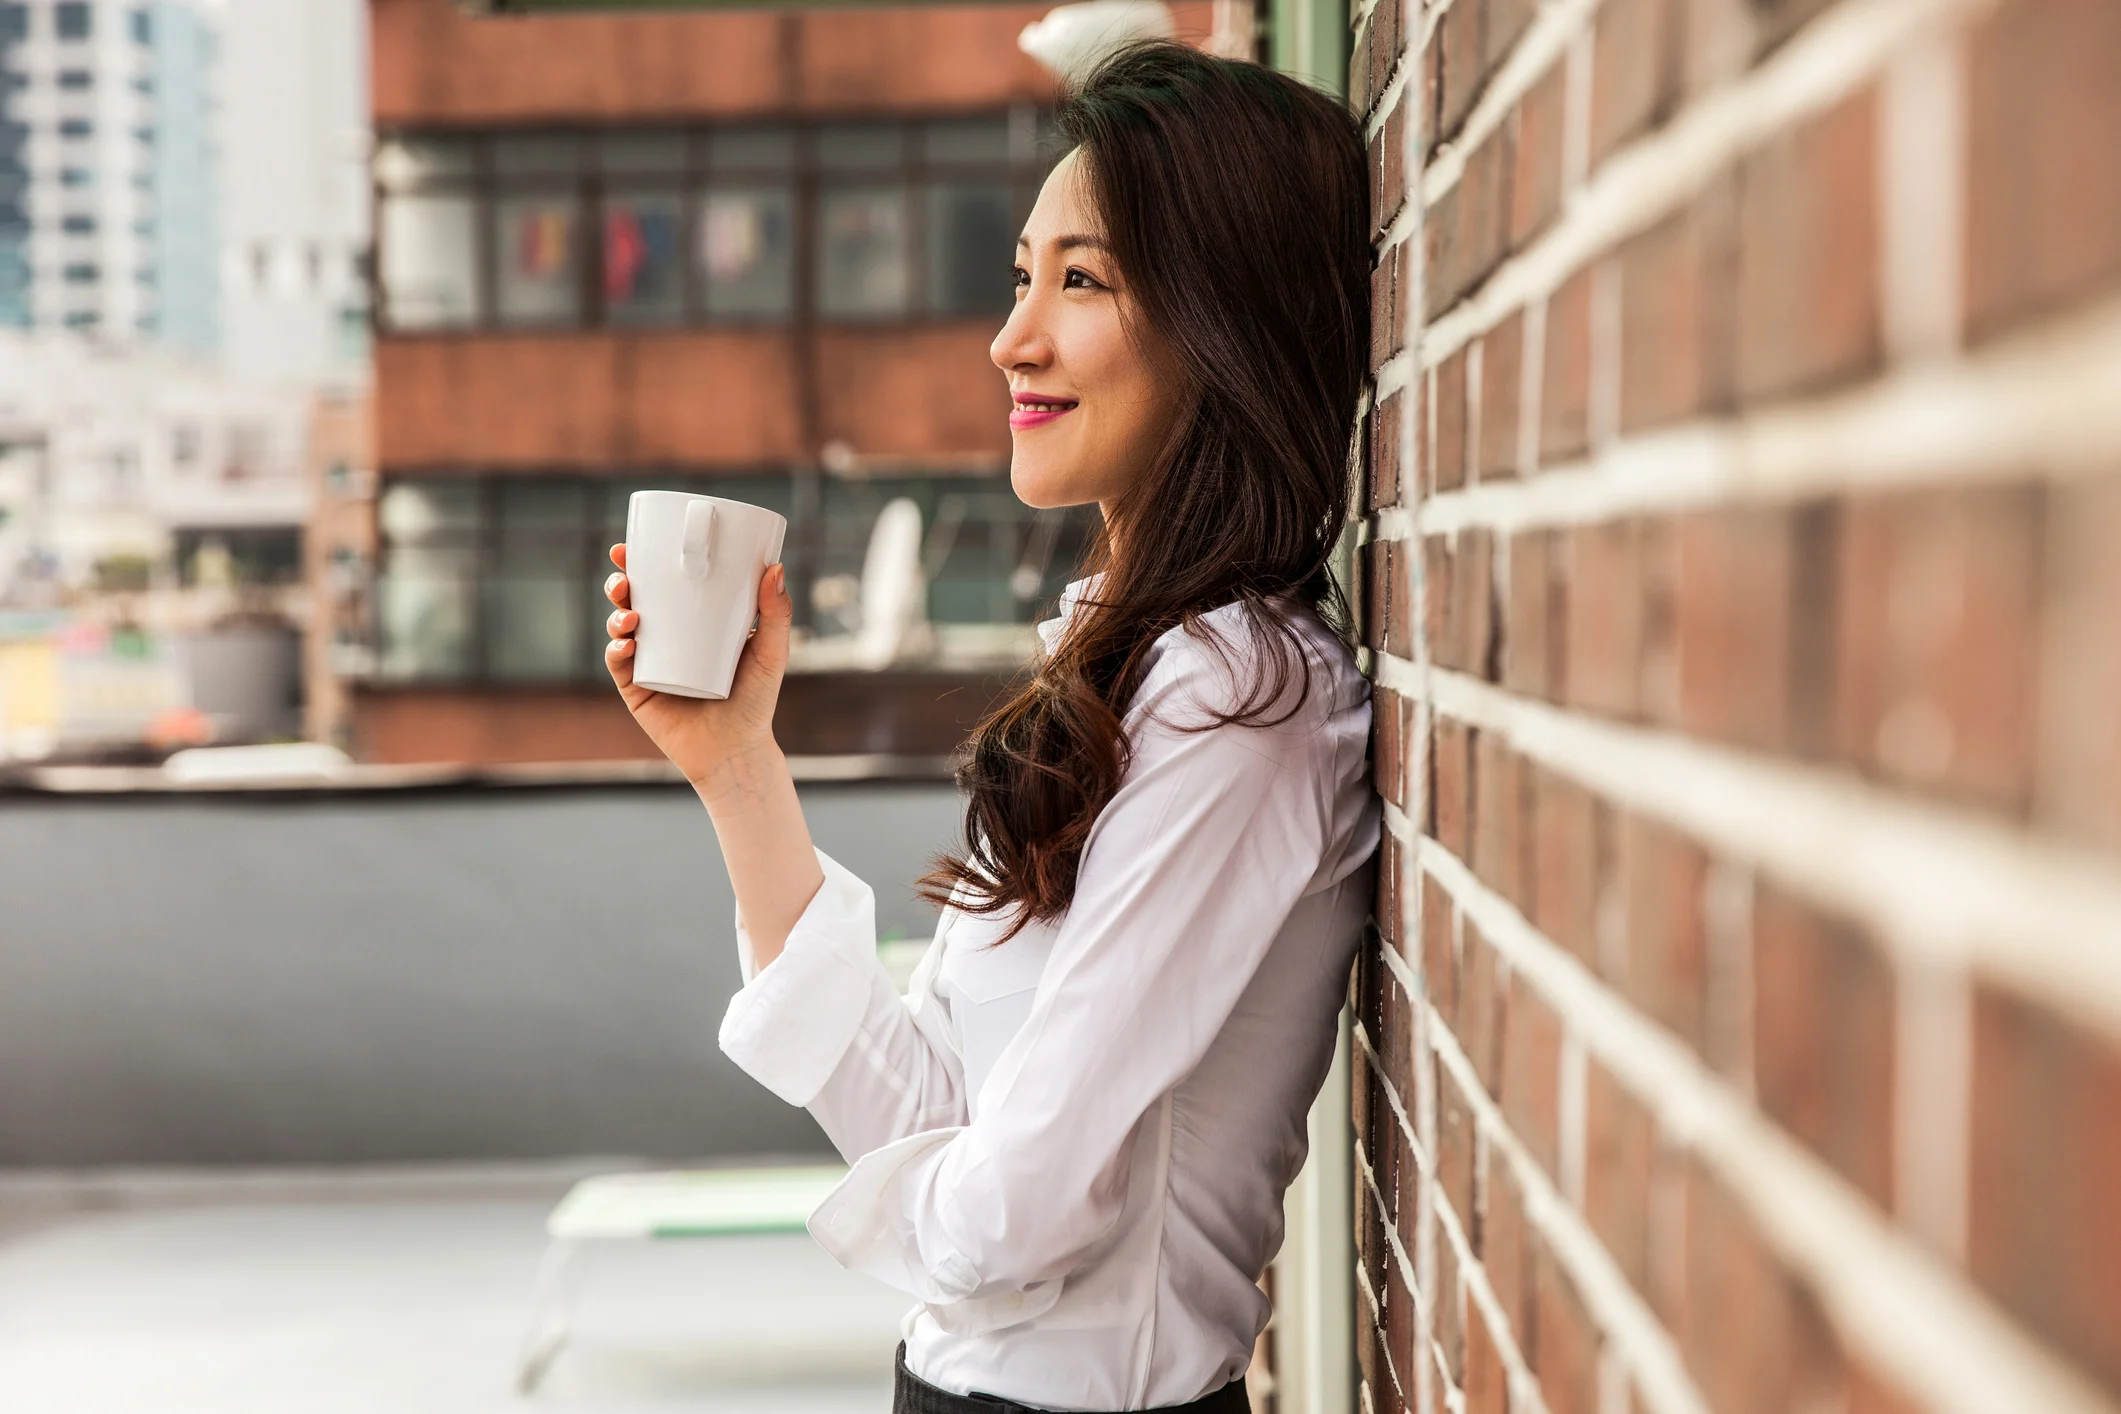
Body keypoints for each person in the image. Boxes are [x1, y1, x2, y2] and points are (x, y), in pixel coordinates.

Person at [600, 41, 1379, 1414]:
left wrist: (900, 1224)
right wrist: (738, 764)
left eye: (1083, 280)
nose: (1011, 336)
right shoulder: (1138, 667)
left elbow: (1015, 1217)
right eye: (1023, 276)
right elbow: (932, 1105)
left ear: (1223, 320)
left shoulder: (1241, 702)